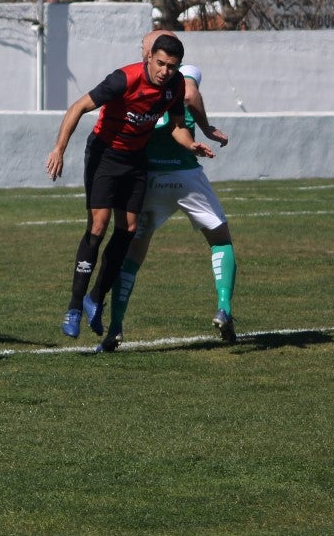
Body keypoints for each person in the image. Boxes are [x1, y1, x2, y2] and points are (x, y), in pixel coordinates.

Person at [46, 32, 214, 343]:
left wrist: (190, 144)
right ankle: (73, 307)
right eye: (161, 64)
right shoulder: (124, 79)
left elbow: (177, 125)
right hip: (104, 153)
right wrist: (59, 148)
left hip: (135, 158)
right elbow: (78, 107)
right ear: (149, 58)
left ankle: (96, 297)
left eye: (173, 67)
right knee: (98, 226)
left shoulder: (175, 87)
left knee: (130, 228)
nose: (165, 71)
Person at [90, 54, 238, 351]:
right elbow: (192, 93)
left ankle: (115, 329)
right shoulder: (185, 73)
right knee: (220, 239)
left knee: (132, 256)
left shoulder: (136, 81)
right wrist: (206, 127)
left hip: (150, 179)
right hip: (185, 174)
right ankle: (223, 307)